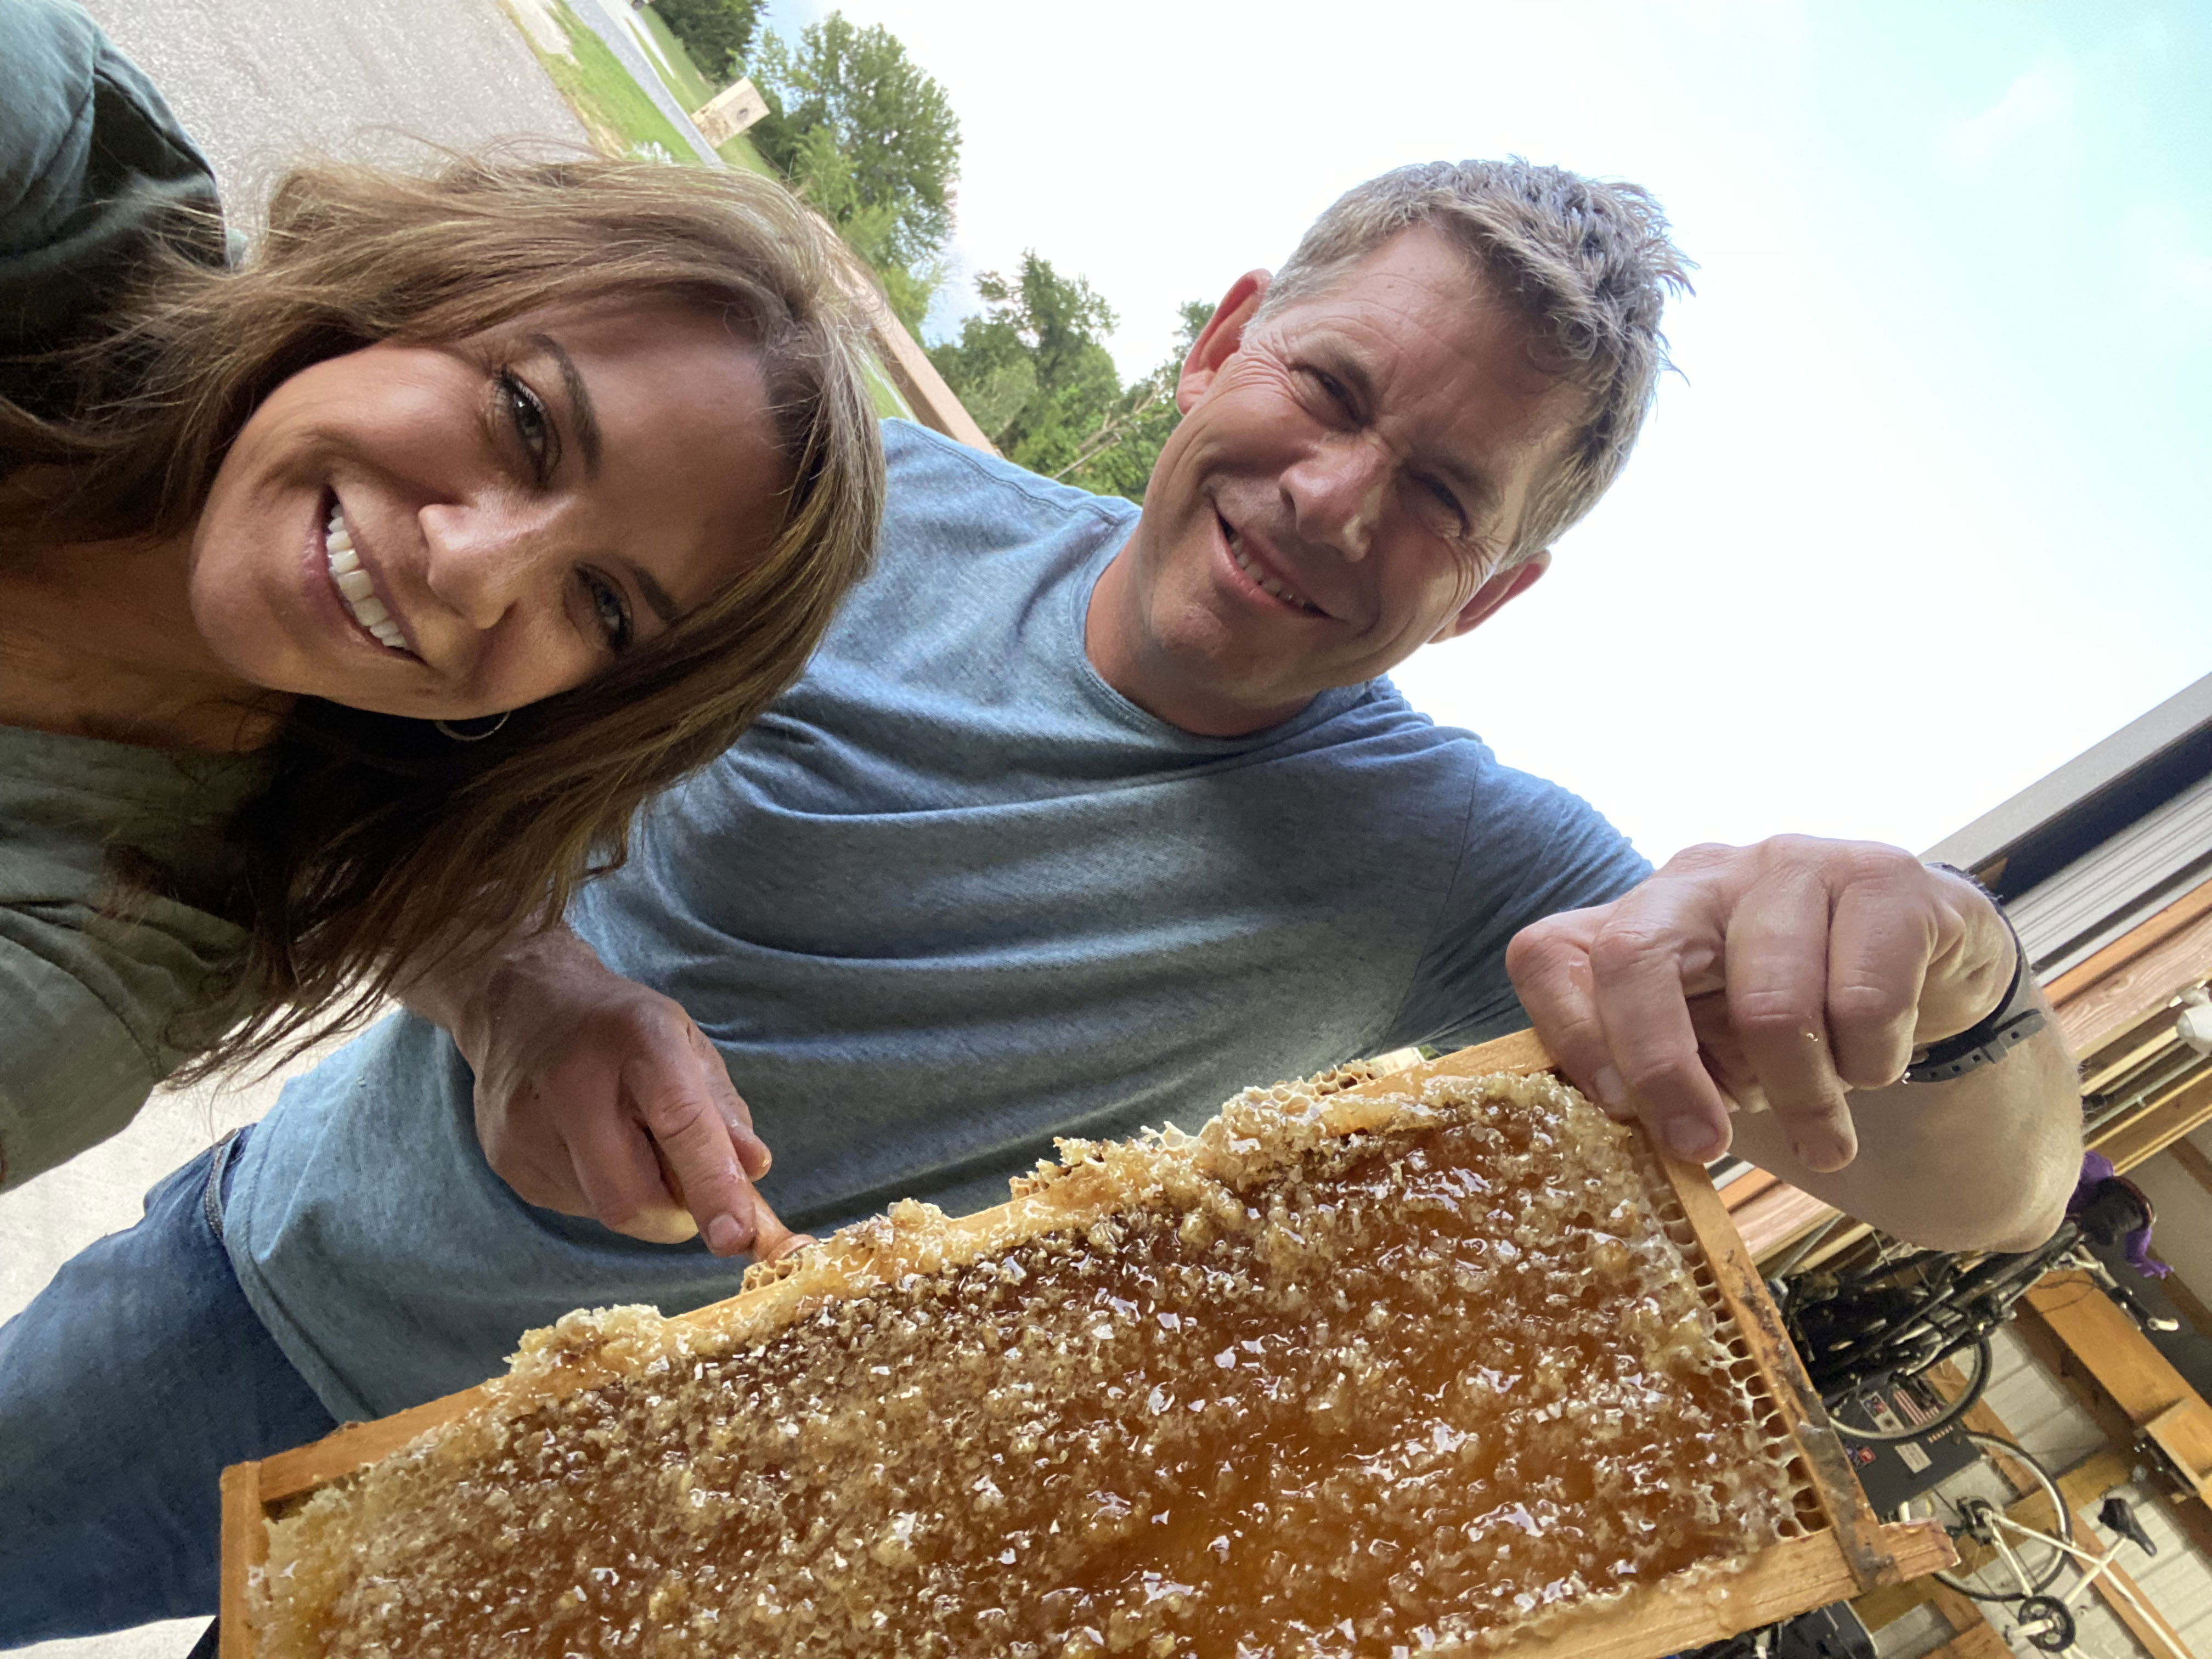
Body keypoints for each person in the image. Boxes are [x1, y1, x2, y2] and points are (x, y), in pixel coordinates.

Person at [0, 156, 2083, 1640]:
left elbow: (1983, 1201)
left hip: (595, 1555)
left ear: (1499, 587)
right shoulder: (836, 518)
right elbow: (395, 769)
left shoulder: (1486, 880)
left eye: (1447, 496)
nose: (1335, 499)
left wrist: (1960, 956)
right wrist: (529, 991)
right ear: (1229, 341)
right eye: (1333, 392)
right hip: (261, 1292)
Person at [0, 0, 882, 1197]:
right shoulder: (57, 183)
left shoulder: (110, 958)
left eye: (604, 608)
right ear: (425, 286)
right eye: (527, 420)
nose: (474, 571)